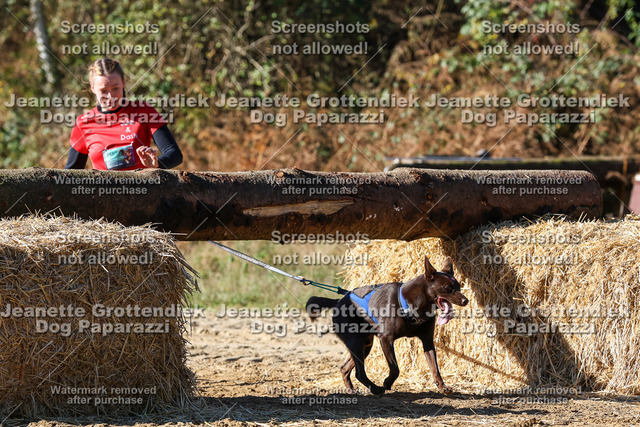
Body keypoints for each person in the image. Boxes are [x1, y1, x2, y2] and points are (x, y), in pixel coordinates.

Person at [65, 58, 182, 170]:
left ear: (123, 83)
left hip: (143, 184)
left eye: (115, 88)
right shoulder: (83, 123)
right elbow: (71, 173)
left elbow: (174, 154)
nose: (110, 96)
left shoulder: (144, 112)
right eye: (103, 91)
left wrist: (156, 165)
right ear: (93, 88)